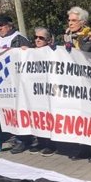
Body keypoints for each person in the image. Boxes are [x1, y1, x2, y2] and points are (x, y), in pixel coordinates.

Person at [0, 13, 31, 153]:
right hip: (4, 83)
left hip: (17, 83)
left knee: (20, 110)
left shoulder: (18, 38)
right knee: (8, 111)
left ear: (10, 25)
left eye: (2, 25)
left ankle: (24, 139)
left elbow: (26, 59)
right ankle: (14, 135)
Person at [64, 6, 91, 161]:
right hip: (75, 82)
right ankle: (84, 148)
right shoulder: (67, 35)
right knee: (79, 115)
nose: (70, 23)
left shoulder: (90, 35)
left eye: (74, 20)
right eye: (69, 20)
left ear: (83, 22)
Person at [26, 27, 57, 157]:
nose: (37, 40)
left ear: (48, 40)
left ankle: (51, 144)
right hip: (35, 91)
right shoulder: (30, 52)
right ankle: (40, 141)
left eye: (41, 38)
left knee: (48, 115)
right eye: (36, 37)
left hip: (49, 90)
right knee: (36, 115)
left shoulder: (53, 51)